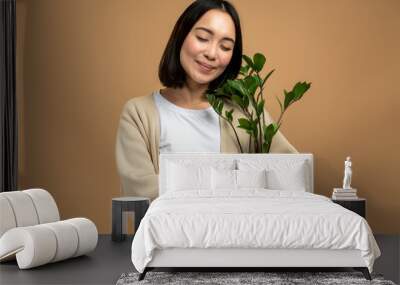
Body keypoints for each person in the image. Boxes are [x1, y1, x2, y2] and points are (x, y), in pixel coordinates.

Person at [115, 0, 298, 199]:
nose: (212, 54)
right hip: (167, 229)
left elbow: (292, 170)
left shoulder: (246, 111)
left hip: (235, 229)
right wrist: (232, 182)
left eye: (226, 47)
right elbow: (141, 193)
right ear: (181, 35)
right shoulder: (139, 114)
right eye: (203, 38)